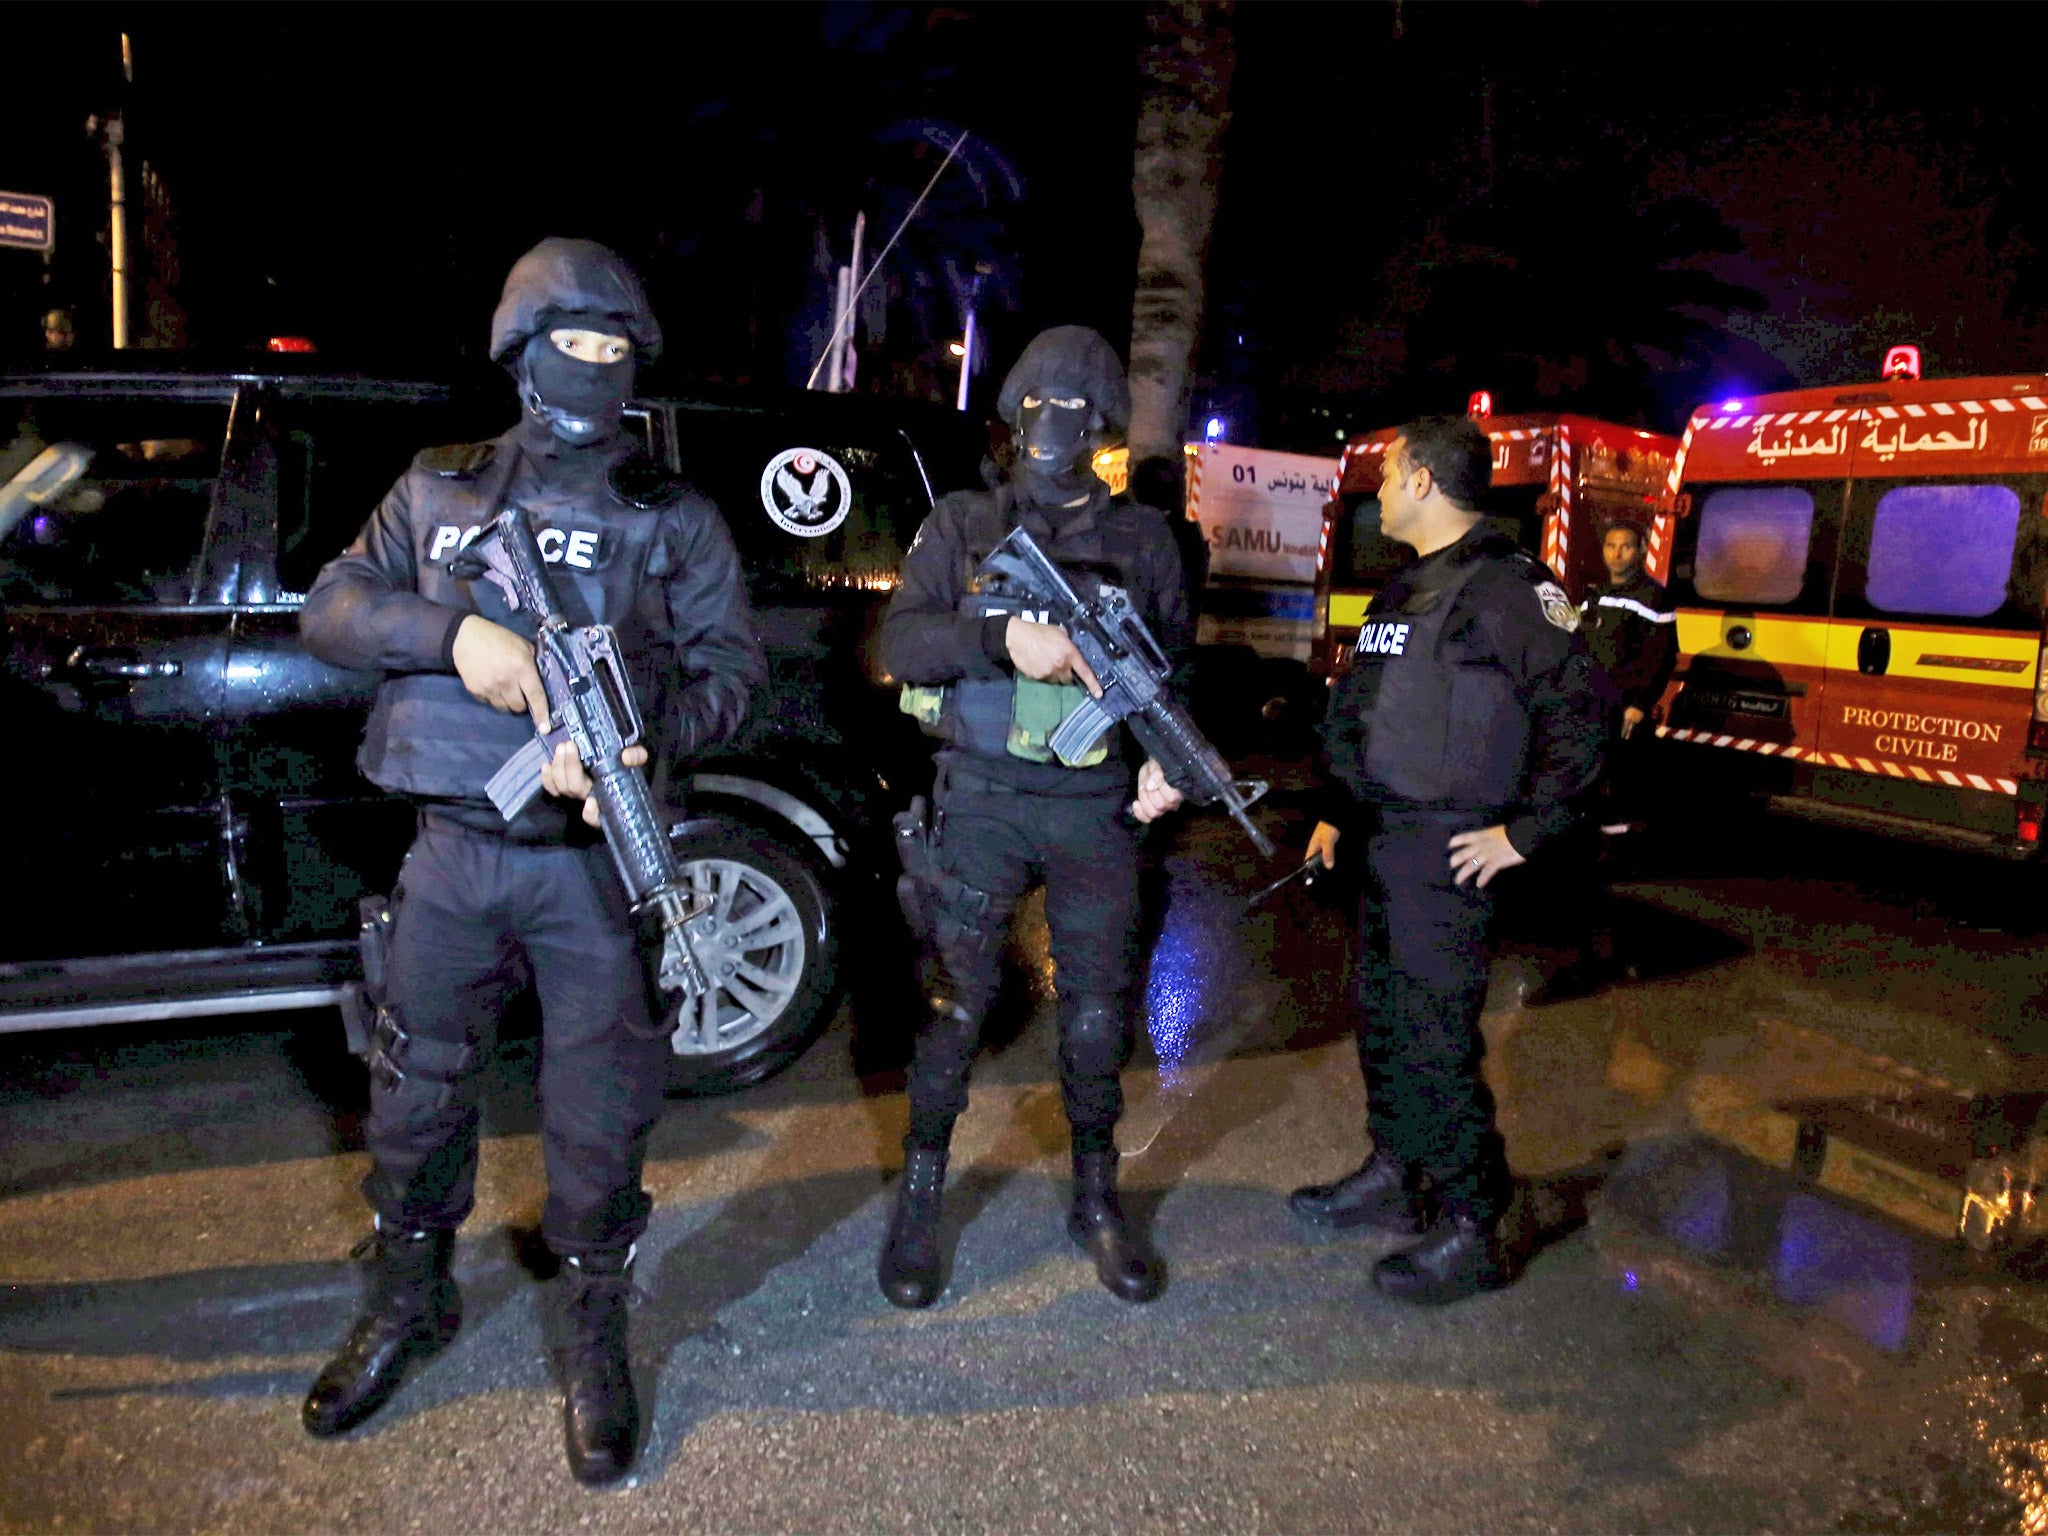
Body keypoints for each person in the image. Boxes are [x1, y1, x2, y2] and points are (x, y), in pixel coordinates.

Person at [297, 238, 765, 1484]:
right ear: (519, 352)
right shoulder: (436, 491)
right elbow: (330, 609)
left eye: (618, 352)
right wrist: (457, 639)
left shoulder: (673, 517)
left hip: (590, 866)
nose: (594, 369)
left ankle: (594, 1324)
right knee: (414, 1084)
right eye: (574, 346)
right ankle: (409, 1298)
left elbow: (736, 681)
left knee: (599, 1112)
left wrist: (634, 726)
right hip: (452, 852)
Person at [877, 325, 1190, 1309]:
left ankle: (1096, 1199)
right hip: (982, 798)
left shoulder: (1141, 539)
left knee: (1097, 1017)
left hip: (1094, 802)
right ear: (1013, 419)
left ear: (1099, 428)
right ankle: (919, 1200)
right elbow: (903, 641)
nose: (1049, 429)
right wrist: (1004, 637)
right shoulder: (963, 525)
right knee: (951, 1009)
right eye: (1034, 411)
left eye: (1071, 412)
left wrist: (1163, 766)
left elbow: (1167, 668)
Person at [1288, 415, 1608, 1305]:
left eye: (1390, 475)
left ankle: (1479, 1217)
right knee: (1384, 1025)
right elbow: (1359, 715)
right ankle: (1397, 1172)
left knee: (1434, 1040)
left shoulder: (1509, 591)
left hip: (1450, 853)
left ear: (1425, 481)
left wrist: (1526, 832)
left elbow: (1583, 719)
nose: (1381, 490)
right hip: (1383, 842)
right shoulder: (1403, 593)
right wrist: (1332, 811)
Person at [1578, 521, 1677, 833]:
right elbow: (1580, 641)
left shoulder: (1654, 597)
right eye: (1610, 546)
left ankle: (1620, 858)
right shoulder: (1596, 595)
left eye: (1626, 546)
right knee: (1588, 781)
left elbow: (1660, 657)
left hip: (1625, 710)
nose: (1616, 553)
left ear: (1640, 551)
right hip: (1591, 705)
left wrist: (1640, 703)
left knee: (1621, 787)